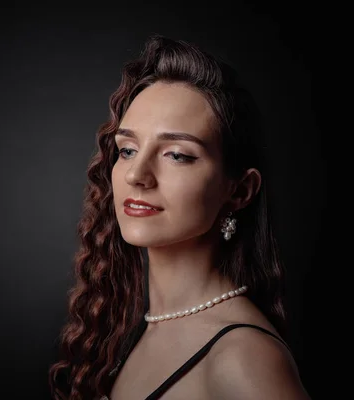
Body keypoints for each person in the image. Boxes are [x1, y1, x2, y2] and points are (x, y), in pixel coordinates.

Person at [48, 34, 311, 399]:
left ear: (239, 191)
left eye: (177, 155)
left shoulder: (244, 359)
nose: (136, 175)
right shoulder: (130, 329)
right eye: (127, 150)